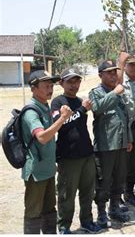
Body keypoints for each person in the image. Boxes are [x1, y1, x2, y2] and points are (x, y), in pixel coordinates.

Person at [21, 70, 73, 234]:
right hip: (36, 172)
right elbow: (42, 137)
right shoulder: (31, 112)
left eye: (51, 86)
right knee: (33, 213)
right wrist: (62, 119)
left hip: (48, 169)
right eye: (45, 86)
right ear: (33, 88)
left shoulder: (44, 106)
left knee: (50, 209)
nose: (50, 89)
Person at [51, 68, 102, 234]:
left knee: (88, 192)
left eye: (76, 81)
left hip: (86, 153)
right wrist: (81, 110)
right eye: (70, 82)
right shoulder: (58, 102)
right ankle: (64, 226)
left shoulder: (80, 101)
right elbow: (62, 125)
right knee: (67, 195)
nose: (74, 85)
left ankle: (87, 221)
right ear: (61, 83)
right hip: (68, 156)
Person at [89, 60, 133, 227]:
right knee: (103, 180)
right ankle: (101, 212)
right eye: (109, 72)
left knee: (119, 178)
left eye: (115, 72)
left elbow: (125, 117)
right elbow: (98, 108)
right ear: (100, 75)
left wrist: (129, 139)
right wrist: (115, 93)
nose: (113, 75)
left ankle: (114, 208)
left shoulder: (119, 91)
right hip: (106, 145)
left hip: (121, 143)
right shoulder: (96, 92)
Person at [117, 53, 135, 207]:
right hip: (123, 129)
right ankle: (118, 195)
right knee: (122, 163)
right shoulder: (121, 82)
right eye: (131, 64)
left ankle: (129, 192)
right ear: (126, 66)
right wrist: (120, 63)